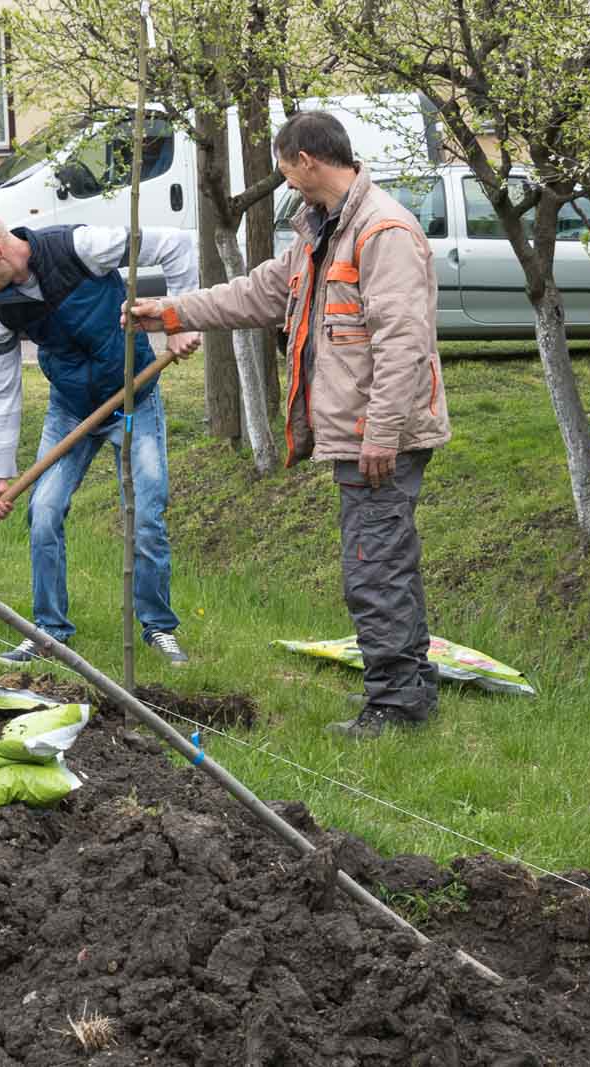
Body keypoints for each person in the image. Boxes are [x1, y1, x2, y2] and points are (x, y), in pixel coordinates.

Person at [129, 111, 451, 738]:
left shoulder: (381, 231)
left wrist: (381, 432)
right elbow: (256, 294)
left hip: (379, 438)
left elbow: (403, 342)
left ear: (306, 159)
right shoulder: (321, 231)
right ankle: (412, 692)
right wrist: (171, 313)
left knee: (373, 569)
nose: (285, 182)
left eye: (285, 169)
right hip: (363, 434)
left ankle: (392, 707)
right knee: (387, 562)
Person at [0, 209, 202, 668]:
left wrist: (177, 320)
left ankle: (158, 627)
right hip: (69, 410)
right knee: (42, 512)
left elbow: (177, 245)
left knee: (147, 514)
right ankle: (49, 631)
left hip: (132, 396)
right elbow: (3, 389)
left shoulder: (81, 247)